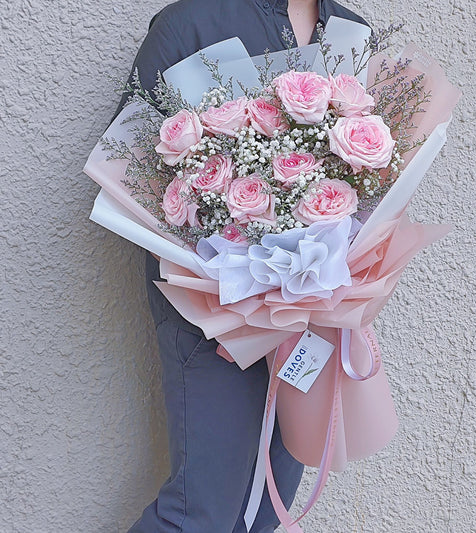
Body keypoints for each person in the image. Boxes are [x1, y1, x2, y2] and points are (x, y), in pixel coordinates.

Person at [115, 1, 369, 531]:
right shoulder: (190, 23)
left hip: (310, 319)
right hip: (215, 318)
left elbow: (369, 184)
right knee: (200, 513)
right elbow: (130, 176)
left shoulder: (351, 31)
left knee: (264, 511)